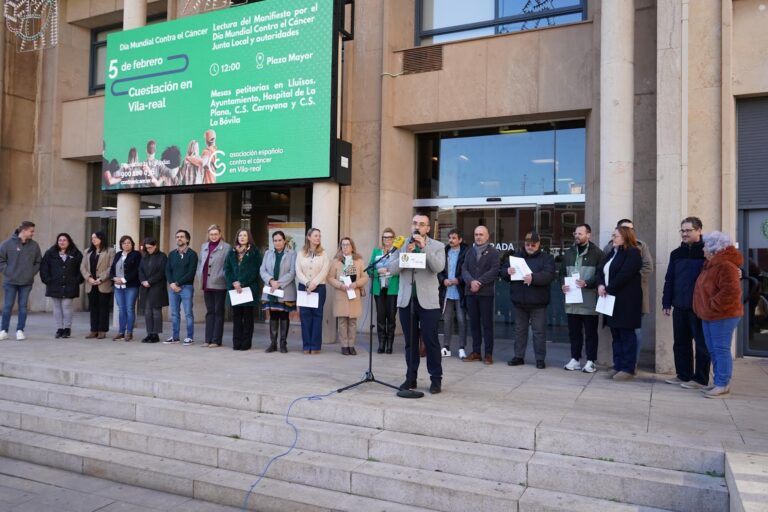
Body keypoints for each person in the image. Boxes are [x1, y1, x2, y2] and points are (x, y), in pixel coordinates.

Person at [388, 214, 446, 394]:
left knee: (430, 341)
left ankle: (436, 379)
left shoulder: (437, 246)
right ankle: (410, 378)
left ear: (427, 228)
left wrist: (424, 248)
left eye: (421, 224)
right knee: (410, 342)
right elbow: (392, 269)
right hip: (407, 300)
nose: (417, 227)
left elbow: (438, 267)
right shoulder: (401, 244)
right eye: (414, 223)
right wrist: (406, 253)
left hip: (428, 301)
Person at [693, 231, 743, 398]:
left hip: (723, 315)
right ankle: (718, 382)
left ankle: (723, 384)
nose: (703, 249)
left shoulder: (725, 265)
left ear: (714, 248)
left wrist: (711, 305)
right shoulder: (710, 264)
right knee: (713, 349)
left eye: (705, 246)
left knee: (721, 349)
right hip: (709, 315)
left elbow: (730, 292)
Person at [662, 217, 710, 389]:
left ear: (699, 230)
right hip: (679, 305)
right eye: (682, 230)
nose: (684, 234)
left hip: (700, 307)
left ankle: (700, 380)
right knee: (680, 343)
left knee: (702, 345)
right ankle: (683, 375)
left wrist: (738, 271)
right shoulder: (676, 253)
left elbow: (726, 267)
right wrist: (666, 303)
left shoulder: (708, 251)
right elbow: (669, 279)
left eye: (688, 230)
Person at [502, 232, 556, 369]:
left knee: (539, 332)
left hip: (538, 302)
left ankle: (540, 359)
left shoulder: (547, 258)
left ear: (538, 244)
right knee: (519, 331)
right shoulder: (515, 257)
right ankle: (518, 356)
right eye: (527, 244)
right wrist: (507, 271)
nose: (530, 247)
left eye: (533, 245)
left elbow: (549, 275)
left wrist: (533, 278)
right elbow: (502, 272)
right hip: (519, 301)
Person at [598, 226, 643, 381]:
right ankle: (617, 365)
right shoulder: (612, 252)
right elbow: (601, 270)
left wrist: (608, 288)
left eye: (615, 236)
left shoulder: (633, 253)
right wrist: (601, 285)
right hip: (611, 299)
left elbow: (624, 275)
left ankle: (628, 368)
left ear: (625, 237)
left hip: (626, 301)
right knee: (616, 334)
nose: (613, 238)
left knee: (627, 335)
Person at [560, 224, 604, 373]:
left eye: (580, 233)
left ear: (588, 235)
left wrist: (587, 283)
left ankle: (591, 361)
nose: (577, 236)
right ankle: (575, 359)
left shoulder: (597, 253)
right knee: (574, 333)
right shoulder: (569, 252)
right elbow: (562, 272)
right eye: (575, 233)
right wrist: (562, 285)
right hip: (572, 301)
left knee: (590, 333)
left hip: (589, 300)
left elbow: (600, 275)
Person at [461, 225, 500, 365]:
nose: (478, 237)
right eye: (476, 234)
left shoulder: (493, 252)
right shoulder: (469, 251)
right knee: (474, 323)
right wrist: (471, 281)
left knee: (487, 324)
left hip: (485, 293)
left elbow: (494, 270)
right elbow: (464, 269)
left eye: (481, 234)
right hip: (470, 292)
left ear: (487, 236)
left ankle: (488, 354)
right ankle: (476, 352)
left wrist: (479, 282)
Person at [0, 221, 42, 341]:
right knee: (8, 306)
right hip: (10, 282)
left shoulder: (34, 245)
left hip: (26, 282)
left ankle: (20, 330)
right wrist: (8, 272)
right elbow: (1, 260)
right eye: (31, 231)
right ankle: (4, 331)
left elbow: (38, 261)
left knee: (23, 306)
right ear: (23, 231)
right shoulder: (7, 244)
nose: (33, 233)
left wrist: (31, 273)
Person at [328, 237, 369, 355]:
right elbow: (330, 277)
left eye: (348, 245)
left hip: (354, 293)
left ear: (352, 247)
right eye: (343, 245)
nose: (345, 247)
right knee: (342, 322)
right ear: (340, 247)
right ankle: (344, 345)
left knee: (352, 322)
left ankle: (351, 345)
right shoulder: (336, 261)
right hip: (341, 293)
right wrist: (340, 285)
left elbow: (365, 277)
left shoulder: (358, 261)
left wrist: (356, 284)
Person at [39, 233, 83, 339]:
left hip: (70, 285)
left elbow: (82, 268)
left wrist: (77, 280)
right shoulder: (50, 253)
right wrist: (47, 280)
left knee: (67, 306)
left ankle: (67, 328)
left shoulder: (76, 253)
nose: (62, 242)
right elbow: (44, 267)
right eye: (60, 240)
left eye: (64, 240)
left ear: (69, 241)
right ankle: (59, 328)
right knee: (57, 307)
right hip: (54, 284)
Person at [224, 229, 261, 351]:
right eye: (240, 235)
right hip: (235, 289)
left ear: (249, 237)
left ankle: (246, 343)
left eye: (245, 235)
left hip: (248, 289)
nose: (242, 237)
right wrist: (234, 282)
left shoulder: (255, 252)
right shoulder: (232, 252)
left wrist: (242, 282)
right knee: (237, 317)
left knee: (248, 317)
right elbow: (227, 269)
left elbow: (255, 271)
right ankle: (236, 342)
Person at [260, 230, 297, 353]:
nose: (277, 243)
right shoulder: (268, 253)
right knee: (273, 315)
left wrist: (279, 283)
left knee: (284, 315)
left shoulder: (292, 254)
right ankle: (273, 344)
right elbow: (262, 270)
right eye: (275, 240)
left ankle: (283, 344)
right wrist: (271, 281)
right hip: (271, 289)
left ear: (284, 241)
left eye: (280, 240)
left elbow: (292, 272)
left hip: (285, 289)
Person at [295, 228, 330, 354]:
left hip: (319, 288)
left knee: (317, 316)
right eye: (315, 235)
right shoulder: (301, 253)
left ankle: (315, 346)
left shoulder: (323, 253)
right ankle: (306, 345)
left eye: (319, 236)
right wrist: (307, 283)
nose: (318, 238)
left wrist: (314, 283)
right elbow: (298, 270)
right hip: (304, 287)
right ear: (309, 237)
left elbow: (325, 270)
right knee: (305, 316)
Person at [197, 225, 231, 348]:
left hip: (219, 284)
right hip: (206, 283)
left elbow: (228, 265)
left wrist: (222, 275)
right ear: (208, 235)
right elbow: (200, 262)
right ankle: (207, 339)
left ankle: (216, 340)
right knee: (210, 312)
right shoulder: (204, 246)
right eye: (211, 234)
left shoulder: (226, 247)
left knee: (218, 312)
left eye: (216, 234)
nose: (214, 236)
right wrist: (199, 274)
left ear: (220, 234)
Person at [368, 228, 400, 354]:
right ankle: (381, 343)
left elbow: (401, 269)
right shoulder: (376, 251)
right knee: (380, 317)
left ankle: (390, 344)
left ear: (393, 239)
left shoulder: (397, 252)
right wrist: (378, 271)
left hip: (392, 289)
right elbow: (369, 269)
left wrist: (392, 270)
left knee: (391, 317)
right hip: (379, 288)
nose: (387, 239)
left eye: (390, 237)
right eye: (385, 237)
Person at [437, 229, 468, 359]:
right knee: (447, 320)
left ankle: (462, 348)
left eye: (454, 238)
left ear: (460, 239)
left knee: (461, 319)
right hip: (447, 291)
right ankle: (446, 347)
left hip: (459, 291)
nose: (451, 240)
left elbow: (467, 270)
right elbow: (439, 270)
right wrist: (443, 280)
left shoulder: (466, 252)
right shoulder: (444, 251)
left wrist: (459, 280)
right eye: (450, 238)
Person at [165, 229, 198, 345]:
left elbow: (191, 273)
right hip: (173, 288)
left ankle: (189, 337)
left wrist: (177, 283)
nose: (179, 238)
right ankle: (175, 337)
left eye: (182, 237)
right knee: (174, 313)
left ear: (187, 239)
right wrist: (172, 283)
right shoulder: (172, 254)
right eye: (177, 237)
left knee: (188, 313)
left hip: (186, 287)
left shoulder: (192, 254)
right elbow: (167, 270)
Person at [80, 231, 115, 339]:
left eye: (95, 237)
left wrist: (101, 278)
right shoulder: (87, 251)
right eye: (92, 238)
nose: (93, 239)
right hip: (91, 284)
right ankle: (93, 330)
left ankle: (102, 330)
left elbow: (111, 267)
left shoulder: (110, 251)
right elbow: (82, 267)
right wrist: (89, 278)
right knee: (93, 307)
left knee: (103, 308)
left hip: (103, 283)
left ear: (101, 238)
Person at [109, 235, 142, 341]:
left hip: (131, 286)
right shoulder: (118, 254)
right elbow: (112, 268)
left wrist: (123, 279)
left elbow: (136, 270)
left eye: (128, 243)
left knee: (129, 309)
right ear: (121, 245)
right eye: (124, 243)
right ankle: (121, 332)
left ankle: (129, 332)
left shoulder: (136, 254)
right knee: (121, 309)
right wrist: (113, 278)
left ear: (132, 244)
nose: (126, 245)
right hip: (117, 286)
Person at [138, 238, 167, 343]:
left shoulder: (162, 256)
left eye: (150, 247)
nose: (148, 250)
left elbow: (162, 272)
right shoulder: (144, 257)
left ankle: (156, 334)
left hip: (157, 286)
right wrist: (143, 281)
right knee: (147, 312)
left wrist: (150, 281)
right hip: (145, 287)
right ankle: (149, 333)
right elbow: (140, 270)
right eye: (147, 248)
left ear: (155, 246)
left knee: (156, 311)